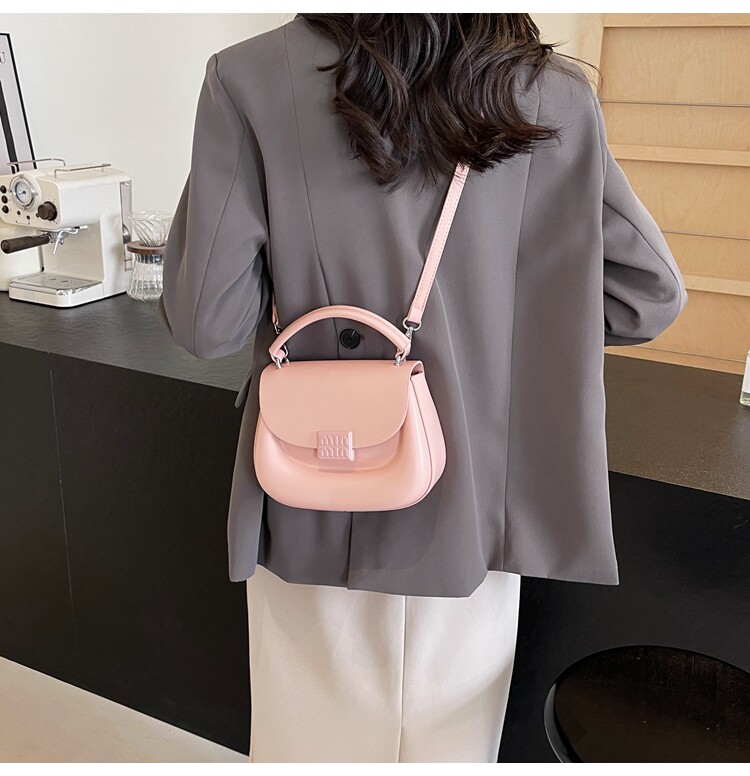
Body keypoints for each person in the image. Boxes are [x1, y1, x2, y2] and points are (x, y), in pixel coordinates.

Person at [158, 13, 688, 763]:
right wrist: (501, 335)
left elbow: (206, 322)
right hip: (475, 510)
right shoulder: (551, 94)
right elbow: (647, 297)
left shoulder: (248, 78)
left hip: (317, 490)